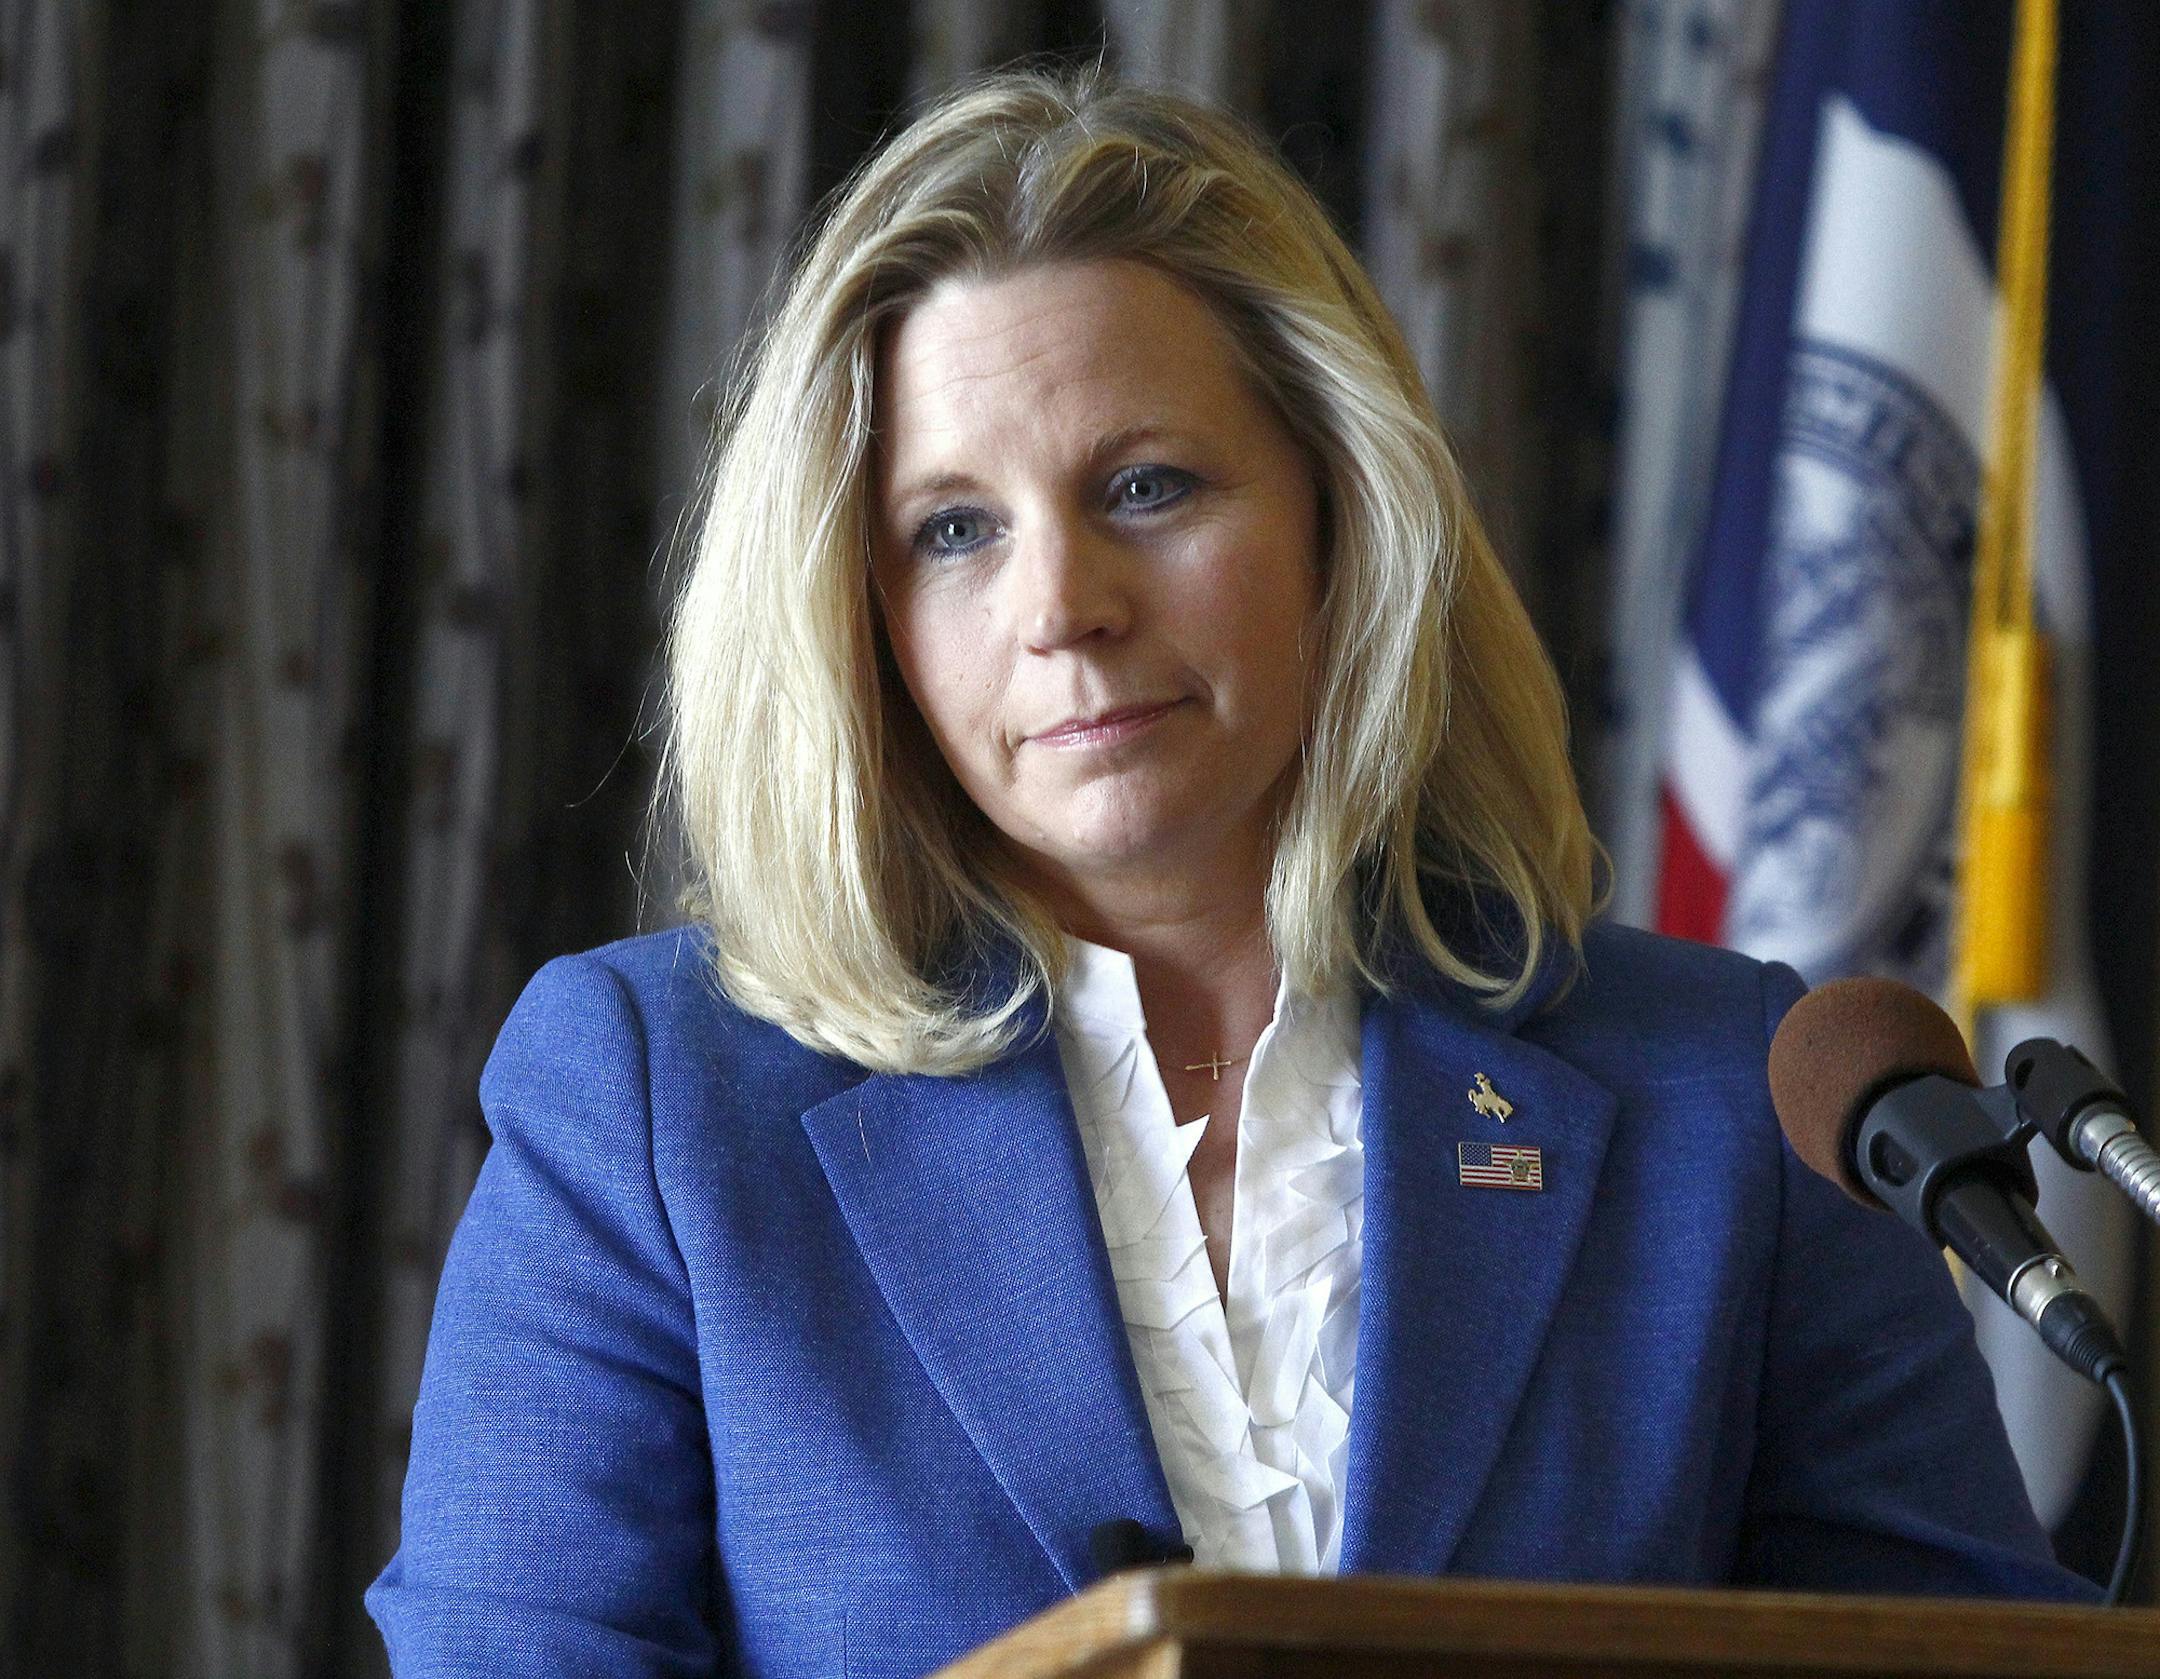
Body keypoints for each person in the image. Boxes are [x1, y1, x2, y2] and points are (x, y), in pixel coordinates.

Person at [366, 68, 2092, 1679]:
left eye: (1148, 485)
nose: (1062, 608)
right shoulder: (654, 1105)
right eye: (952, 530)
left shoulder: (1742, 1098)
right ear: (858, 613)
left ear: (1346, 520)